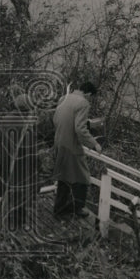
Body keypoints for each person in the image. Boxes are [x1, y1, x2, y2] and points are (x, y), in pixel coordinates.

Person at [52, 78, 103, 219]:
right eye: (91, 97)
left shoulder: (64, 98)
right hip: (71, 146)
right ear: (88, 94)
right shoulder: (83, 103)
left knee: (64, 177)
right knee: (83, 177)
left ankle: (60, 209)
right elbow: (79, 129)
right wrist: (94, 144)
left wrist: (88, 124)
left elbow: (56, 119)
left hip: (59, 142)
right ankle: (77, 208)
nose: (90, 100)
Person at [0, 92, 39, 230]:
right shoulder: (26, 124)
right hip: (21, 162)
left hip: (5, 158)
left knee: (8, 187)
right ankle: (17, 222)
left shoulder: (6, 119)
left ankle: (7, 216)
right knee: (21, 191)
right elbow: (30, 147)